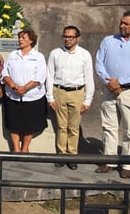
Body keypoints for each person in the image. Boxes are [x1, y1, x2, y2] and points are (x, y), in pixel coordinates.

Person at [95, 10, 130, 179]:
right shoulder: (109, 40)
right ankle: (109, 161)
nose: (122, 25)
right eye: (121, 22)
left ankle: (128, 164)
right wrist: (109, 82)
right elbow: (99, 62)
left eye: (126, 23)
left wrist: (120, 82)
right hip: (109, 89)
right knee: (109, 126)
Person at [46, 26, 95, 170]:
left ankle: (72, 155)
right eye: (65, 36)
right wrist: (50, 97)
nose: (67, 39)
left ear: (77, 38)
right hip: (59, 91)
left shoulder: (84, 55)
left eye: (70, 37)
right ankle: (61, 154)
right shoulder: (55, 53)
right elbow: (50, 75)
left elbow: (89, 77)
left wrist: (88, 100)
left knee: (73, 127)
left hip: (77, 92)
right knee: (61, 126)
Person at [1, 30, 47, 153]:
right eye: (19, 37)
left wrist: (24, 88)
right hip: (13, 95)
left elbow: (40, 77)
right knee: (13, 122)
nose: (20, 40)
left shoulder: (38, 57)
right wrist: (13, 85)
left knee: (29, 123)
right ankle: (16, 148)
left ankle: (25, 147)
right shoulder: (13, 55)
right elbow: (5, 72)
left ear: (31, 40)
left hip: (32, 96)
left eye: (23, 37)